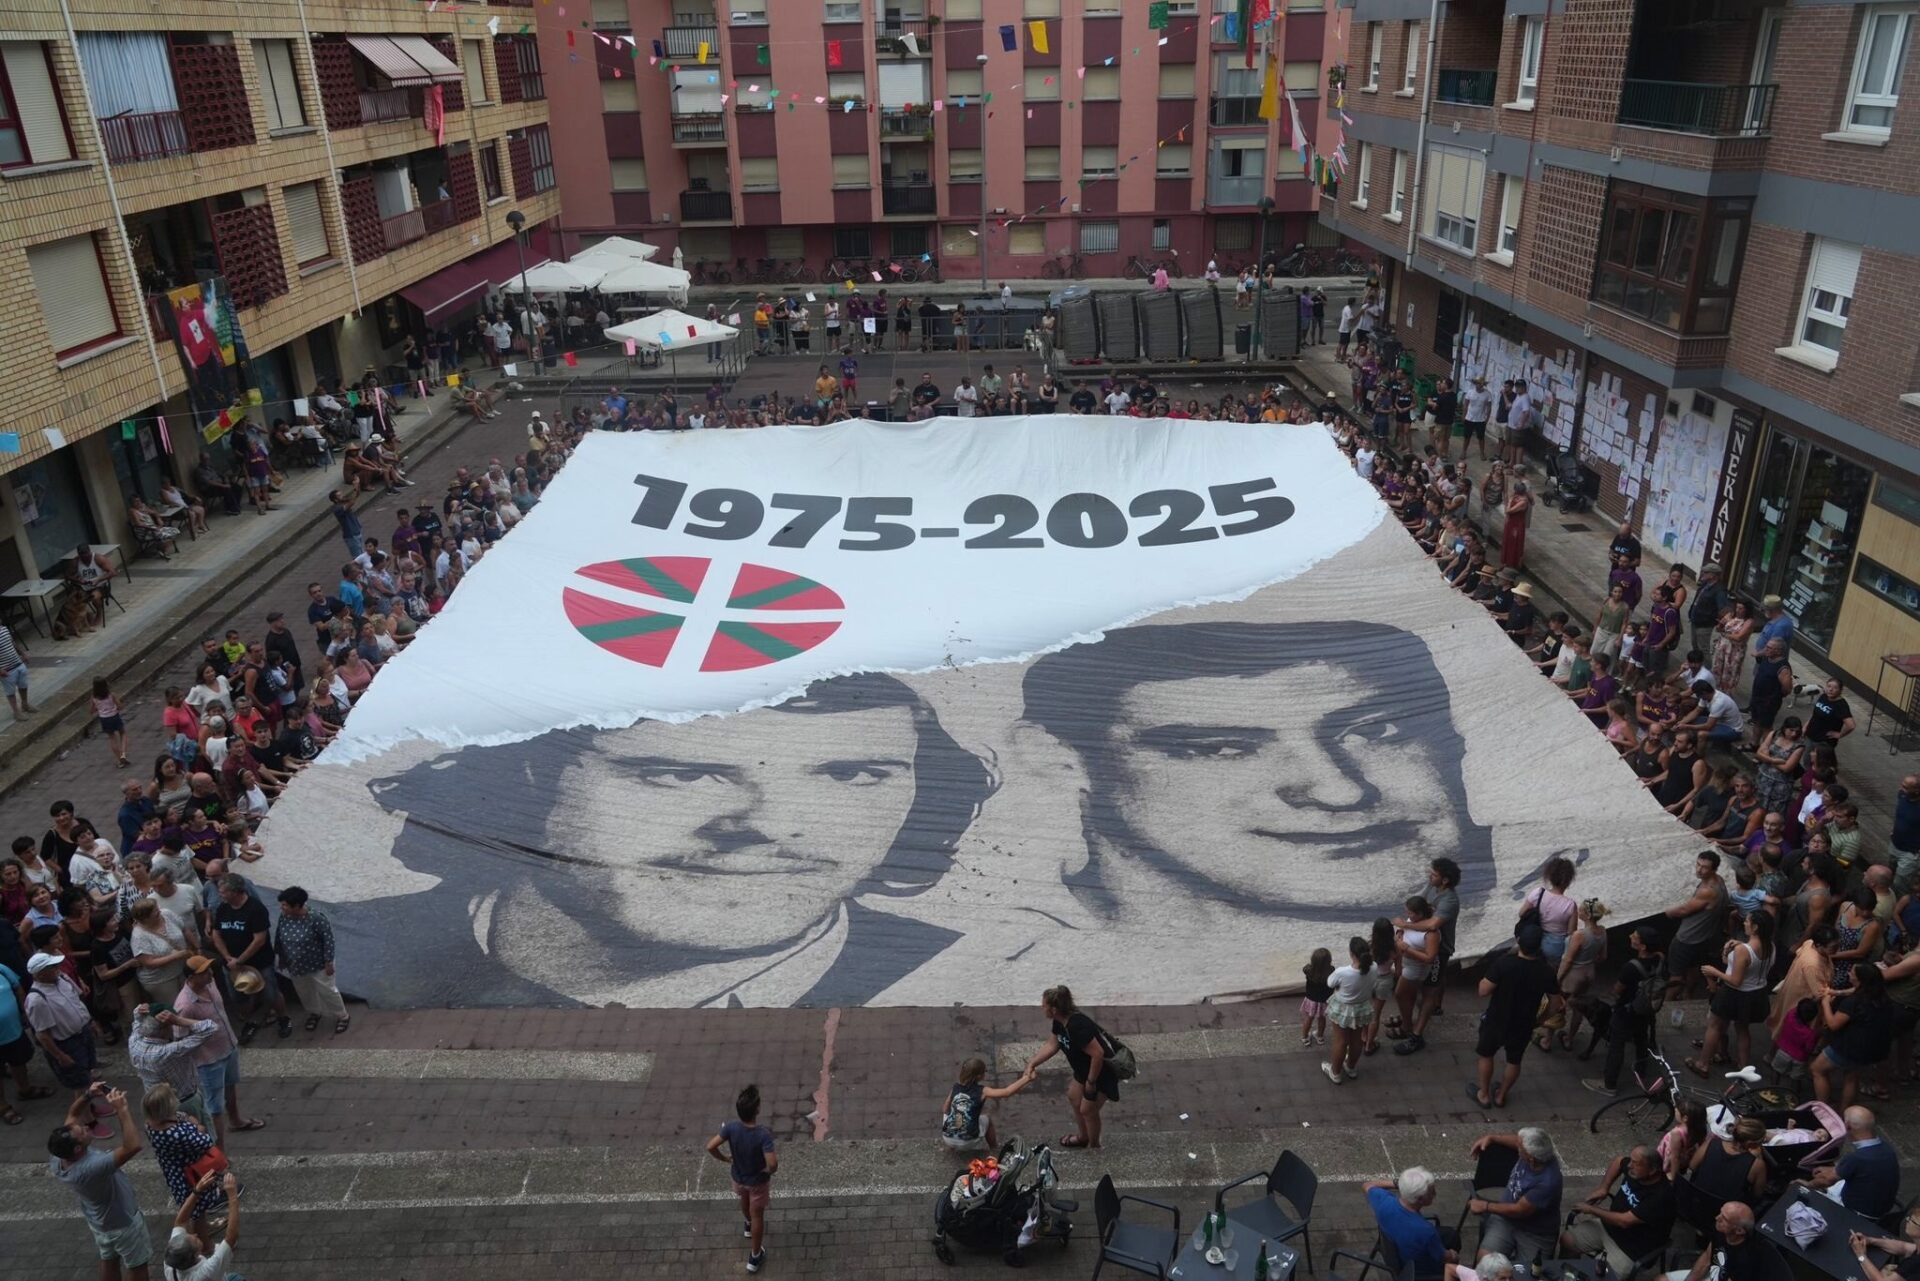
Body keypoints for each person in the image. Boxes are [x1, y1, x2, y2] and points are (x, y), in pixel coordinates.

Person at [358, 672, 993, 1007]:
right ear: (532, 777)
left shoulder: (960, 970)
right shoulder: (356, 945)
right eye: (679, 774)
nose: (769, 824)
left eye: (849, 775)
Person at [48, 1083, 152, 1281]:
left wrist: (88, 1095)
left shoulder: (58, 1157)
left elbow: (73, 1114)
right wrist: (122, 1110)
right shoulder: (91, 1167)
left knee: (108, 1257)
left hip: (99, 1222)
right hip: (123, 1223)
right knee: (137, 1265)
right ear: (78, 1149)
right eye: (83, 1132)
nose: (86, 1127)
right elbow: (132, 1146)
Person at [172, 955, 264, 1149]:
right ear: (191, 978)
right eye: (204, 972)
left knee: (231, 1086)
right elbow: (181, 1040)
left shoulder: (210, 984)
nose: (210, 974)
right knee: (214, 1108)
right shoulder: (185, 1005)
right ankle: (218, 1151)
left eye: (209, 969)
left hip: (228, 1046)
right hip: (208, 1061)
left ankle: (236, 1120)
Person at [1022, 984, 1123, 1151]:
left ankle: (1095, 1146)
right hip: (1083, 1070)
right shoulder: (1059, 1022)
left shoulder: (1077, 1026)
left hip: (1100, 1074)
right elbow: (1053, 1044)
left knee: (1088, 1111)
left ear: (1054, 1009)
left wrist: (1091, 1082)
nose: (1042, 1007)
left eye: (1044, 1005)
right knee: (1074, 1097)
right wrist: (1032, 1063)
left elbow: (1097, 1054)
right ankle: (1083, 1137)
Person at [1470, 923, 1558, 1109]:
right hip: (1524, 1023)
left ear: (1519, 941)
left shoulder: (1504, 963)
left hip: (1496, 1020)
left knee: (1486, 1054)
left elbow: (1483, 991)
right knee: (1514, 1060)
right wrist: (1540, 1021)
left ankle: (1483, 1094)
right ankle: (1501, 1095)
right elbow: (1555, 1004)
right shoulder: (1546, 971)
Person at [1561, 1145, 1676, 1279]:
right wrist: (1604, 1187)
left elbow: (1624, 1221)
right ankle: (1566, 1276)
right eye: (1631, 1161)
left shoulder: (1661, 1197)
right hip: (1609, 1228)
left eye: (1635, 1163)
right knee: (1567, 1240)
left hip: (1630, 1249)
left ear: (1652, 1170)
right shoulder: (1636, 1171)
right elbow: (1619, 1161)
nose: (1629, 1166)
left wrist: (1591, 1209)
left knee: (1595, 1274)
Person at [1692, 910, 1774, 1079]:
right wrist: (1730, 950)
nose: (1744, 923)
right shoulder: (1770, 946)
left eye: (1747, 921)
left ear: (1755, 927)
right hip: (1756, 993)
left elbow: (1736, 980)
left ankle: (1703, 1064)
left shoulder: (1744, 950)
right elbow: (1742, 961)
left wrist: (1714, 971)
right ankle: (1743, 1066)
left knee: (1715, 1026)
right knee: (1742, 1028)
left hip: (1734, 994)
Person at [1583, 925, 1665, 1096]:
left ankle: (1609, 1084)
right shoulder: (1660, 959)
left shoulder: (1631, 967)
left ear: (1642, 946)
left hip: (1626, 1011)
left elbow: (1618, 989)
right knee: (1641, 1038)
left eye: (1635, 936)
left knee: (1616, 1045)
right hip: (1646, 1009)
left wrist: (1612, 995)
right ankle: (1641, 1073)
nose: (1630, 936)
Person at [707, 1083, 777, 1274]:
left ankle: (747, 1224)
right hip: (757, 1182)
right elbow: (772, 1164)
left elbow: (710, 1146)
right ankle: (755, 1256)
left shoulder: (731, 1128)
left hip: (738, 1177)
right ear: (757, 1110)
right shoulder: (763, 1135)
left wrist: (725, 1159)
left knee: (744, 1200)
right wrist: (767, 1171)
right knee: (758, 1215)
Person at [1466, 1128, 1563, 1265]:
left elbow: (1519, 1210)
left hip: (1535, 1233)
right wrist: (1493, 1138)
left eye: (1520, 1148)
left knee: (1526, 1272)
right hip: (1506, 1220)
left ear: (1530, 1159)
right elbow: (1518, 1141)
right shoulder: (1537, 1154)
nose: (1517, 1146)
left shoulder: (1547, 1182)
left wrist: (1485, 1206)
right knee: (1486, 1260)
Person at [1814, 966, 1894, 1108]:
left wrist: (1825, 1003)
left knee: (1817, 1069)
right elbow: (1852, 990)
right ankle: (1844, 1113)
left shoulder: (1852, 1002)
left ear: (1859, 979)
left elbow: (1833, 1024)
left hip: (1848, 1047)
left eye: (1852, 973)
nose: (1849, 974)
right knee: (1851, 1077)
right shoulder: (1880, 996)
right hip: (1868, 1048)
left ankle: (1823, 1110)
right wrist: (1835, 992)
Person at [127, 1005, 219, 1130]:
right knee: (201, 1136)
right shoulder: (168, 1051)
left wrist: (138, 1011)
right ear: (165, 1029)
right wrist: (178, 1020)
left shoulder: (134, 1042)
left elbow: (136, 1021)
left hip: (156, 1104)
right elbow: (211, 1027)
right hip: (184, 1102)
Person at [1804, 1106, 1899, 1220]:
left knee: (1805, 1201)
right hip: (1880, 1206)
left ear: (1847, 1126)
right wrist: (1833, 1170)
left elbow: (1826, 1181)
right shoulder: (1886, 1148)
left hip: (1857, 1212)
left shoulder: (1858, 1157)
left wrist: (1806, 1185)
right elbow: (1854, 1169)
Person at [275, 887, 348, 1034]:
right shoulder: (284, 917)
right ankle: (314, 1012)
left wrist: (328, 962)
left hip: (318, 964)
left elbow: (328, 940)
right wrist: (282, 957)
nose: (281, 908)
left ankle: (342, 1016)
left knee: (327, 991)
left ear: (297, 905)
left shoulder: (316, 919)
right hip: (296, 966)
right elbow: (279, 936)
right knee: (305, 992)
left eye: (285, 905)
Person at [25, 951, 96, 1102]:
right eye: (52, 967)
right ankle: (85, 1113)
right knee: (79, 1084)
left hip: (83, 1033)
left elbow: (77, 1001)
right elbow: (43, 1035)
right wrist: (60, 1056)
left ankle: (90, 1105)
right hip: (67, 1044)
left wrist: (90, 1022)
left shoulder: (62, 979)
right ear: (40, 974)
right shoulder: (37, 1000)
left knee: (87, 1073)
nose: (58, 968)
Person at [1364, 1167, 1455, 1279]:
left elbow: (1368, 1185)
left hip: (1392, 1252)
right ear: (1420, 1199)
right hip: (1415, 1270)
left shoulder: (1383, 1202)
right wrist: (1453, 1255)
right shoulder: (1426, 1231)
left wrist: (1399, 1184)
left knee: (1450, 1234)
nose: (1435, 1194)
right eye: (1431, 1192)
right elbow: (1445, 1257)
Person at [1666, 851, 1727, 1001]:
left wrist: (1668, 912)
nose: (1699, 869)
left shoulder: (1708, 891)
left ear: (1714, 869)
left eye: (1704, 867)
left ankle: (1667, 1003)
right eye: (1698, 864)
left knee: (1676, 974)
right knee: (1694, 967)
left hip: (1687, 938)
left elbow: (1683, 910)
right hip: (1703, 937)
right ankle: (1688, 994)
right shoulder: (1718, 880)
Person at [160, 1170, 242, 1281]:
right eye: (195, 1240)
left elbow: (181, 1222)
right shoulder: (206, 1272)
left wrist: (196, 1191)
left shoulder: (171, 1264)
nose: (194, 1235)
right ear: (196, 1254)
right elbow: (231, 1238)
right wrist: (232, 1196)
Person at [941, 1056, 1032, 1152]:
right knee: (987, 1119)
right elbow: (1007, 1092)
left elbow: (944, 1109)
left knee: (951, 1117)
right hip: (968, 1141)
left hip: (947, 1138)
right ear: (979, 1076)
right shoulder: (982, 1091)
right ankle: (994, 1148)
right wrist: (1027, 1078)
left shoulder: (955, 1087)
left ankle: (951, 1146)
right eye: (984, 1071)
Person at [1323, 935, 1375, 1085]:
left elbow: (1330, 983)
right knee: (1356, 1040)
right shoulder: (1374, 967)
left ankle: (1335, 1072)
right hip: (1362, 1007)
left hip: (1343, 1008)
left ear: (1351, 954)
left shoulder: (1343, 972)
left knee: (1341, 1041)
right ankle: (1351, 1067)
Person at [1666, 1202, 1762, 1281]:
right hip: (1713, 1273)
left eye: (1724, 1219)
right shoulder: (1721, 1231)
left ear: (1739, 1231)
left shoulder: (1745, 1259)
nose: (1717, 1218)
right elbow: (1706, 1259)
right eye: (1720, 1213)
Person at [1, 620, 33, 721]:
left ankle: (25, 704)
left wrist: (23, 654)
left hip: (18, 663)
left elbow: (13, 643)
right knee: (10, 691)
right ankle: (16, 712)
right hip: (7, 669)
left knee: (23, 685)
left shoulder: (4, 629)